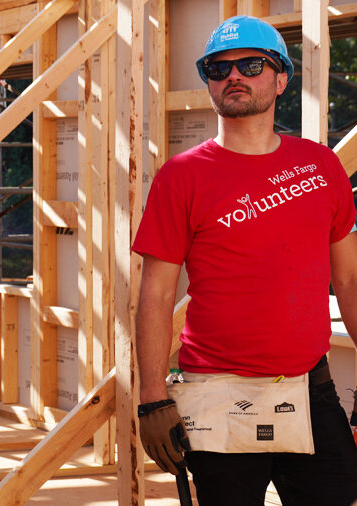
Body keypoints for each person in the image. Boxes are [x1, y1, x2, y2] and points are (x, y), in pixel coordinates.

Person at [133, 15, 357, 505]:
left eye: (250, 65)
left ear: (280, 79)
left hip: (310, 390)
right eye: (218, 68)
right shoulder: (181, 177)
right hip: (217, 394)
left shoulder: (320, 167)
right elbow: (155, 293)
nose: (233, 75)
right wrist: (152, 397)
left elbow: (350, 278)